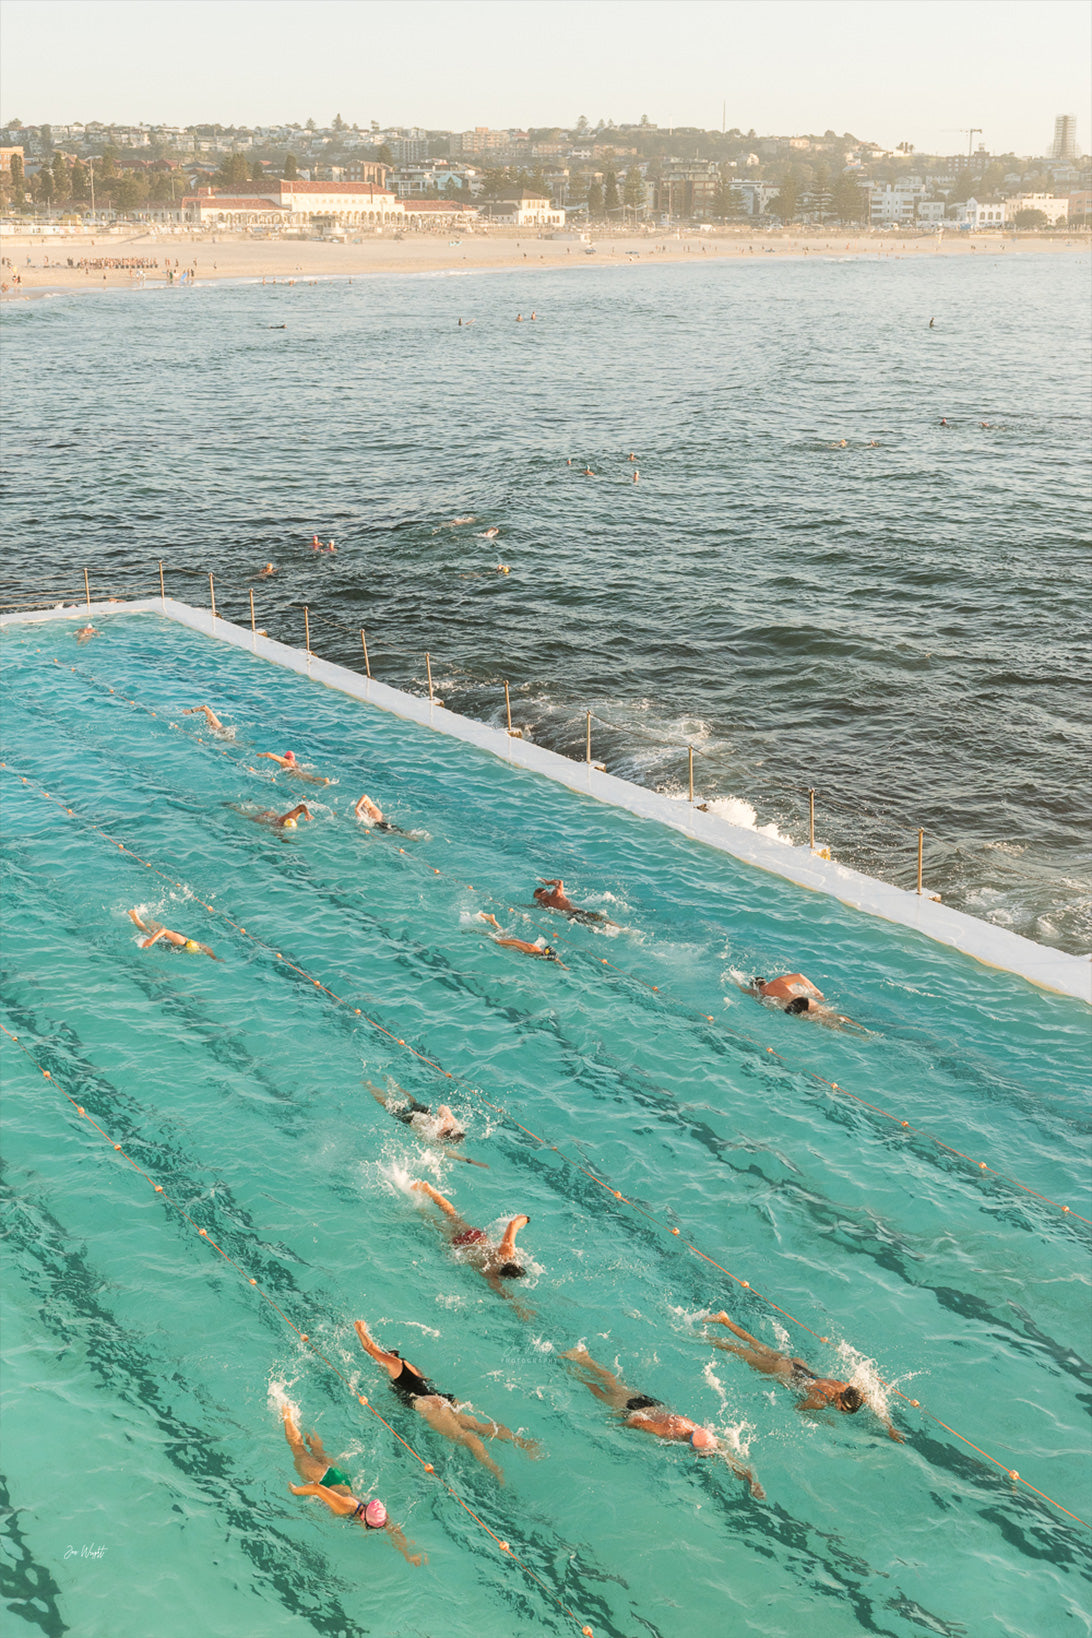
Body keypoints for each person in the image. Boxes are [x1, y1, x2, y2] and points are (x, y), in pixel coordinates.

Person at [353, 1319, 539, 1483]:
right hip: (442, 1399)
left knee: (465, 1437)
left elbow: (370, 1348)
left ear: (391, 1356)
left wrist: (361, 1331)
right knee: (477, 1426)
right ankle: (522, 1441)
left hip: (429, 1403)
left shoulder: (395, 1364)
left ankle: (496, 1471)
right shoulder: (412, 1367)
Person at [562, 1347, 763, 1495]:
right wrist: (617, 1427)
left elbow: (724, 1453)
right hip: (634, 1410)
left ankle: (585, 1358)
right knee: (601, 1393)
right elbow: (638, 1422)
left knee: (615, 1384)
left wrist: (750, 1479)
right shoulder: (669, 1432)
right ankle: (574, 1369)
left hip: (653, 1405)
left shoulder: (698, 1431)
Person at [704, 1312, 903, 1442]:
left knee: (758, 1346)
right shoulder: (821, 1399)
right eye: (844, 1409)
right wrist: (824, 1419)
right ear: (842, 1400)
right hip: (785, 1372)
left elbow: (871, 1401)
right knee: (743, 1353)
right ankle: (706, 1337)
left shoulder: (846, 1386)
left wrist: (890, 1428)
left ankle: (725, 1320)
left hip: (799, 1366)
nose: (842, 1412)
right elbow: (799, 1409)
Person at [282, 1405, 424, 1564]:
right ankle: (287, 1414)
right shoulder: (345, 1506)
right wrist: (296, 1491)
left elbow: (393, 1529)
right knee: (298, 1449)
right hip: (322, 1478)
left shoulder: (378, 1515)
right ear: (365, 1522)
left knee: (317, 1450)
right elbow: (316, 1488)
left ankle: (303, 1420)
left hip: (341, 1478)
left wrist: (407, 1553)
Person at [410, 1180, 532, 1300]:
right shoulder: (491, 1274)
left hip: (475, 1236)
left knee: (452, 1215)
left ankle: (428, 1190)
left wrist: (526, 1218)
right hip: (461, 1246)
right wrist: (519, 1308)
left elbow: (512, 1224)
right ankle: (418, 1206)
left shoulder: (507, 1251)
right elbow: (505, 1295)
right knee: (435, 1224)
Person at [367, 1081, 487, 1167]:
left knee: (411, 1100)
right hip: (411, 1118)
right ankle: (370, 1085)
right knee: (388, 1104)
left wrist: (448, 1118)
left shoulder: (448, 1123)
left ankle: (393, 1084)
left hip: (423, 1113)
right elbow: (451, 1153)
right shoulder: (436, 1138)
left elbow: (442, 1108)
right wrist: (469, 1161)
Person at [742, 973, 862, 1031]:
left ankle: (855, 1035)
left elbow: (744, 990)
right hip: (801, 1000)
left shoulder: (760, 993)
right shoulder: (778, 981)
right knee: (832, 1015)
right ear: (765, 981)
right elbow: (800, 976)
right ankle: (862, 1029)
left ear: (756, 986)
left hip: (791, 1007)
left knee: (823, 1021)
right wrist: (817, 993)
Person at [128, 908, 217, 959]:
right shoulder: (181, 941)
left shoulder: (196, 945)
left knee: (155, 929)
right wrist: (151, 941)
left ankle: (144, 918)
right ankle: (135, 916)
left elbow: (207, 949)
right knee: (149, 933)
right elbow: (164, 931)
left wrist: (214, 958)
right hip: (171, 940)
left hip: (172, 945)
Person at [477, 912, 562, 963]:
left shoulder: (546, 954)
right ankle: (477, 930)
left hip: (518, 947)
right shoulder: (531, 948)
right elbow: (515, 941)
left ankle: (492, 920)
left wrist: (563, 966)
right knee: (495, 937)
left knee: (502, 933)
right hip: (513, 944)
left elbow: (555, 959)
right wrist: (499, 942)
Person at [532, 880, 615, 927]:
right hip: (578, 911)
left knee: (594, 926)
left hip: (572, 916)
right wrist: (548, 882)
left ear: (539, 896)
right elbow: (560, 882)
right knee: (602, 920)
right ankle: (621, 928)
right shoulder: (556, 892)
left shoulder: (545, 903)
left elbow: (538, 908)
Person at [257, 750, 330, 785]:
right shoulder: (294, 762)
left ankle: (324, 781)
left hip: (293, 772)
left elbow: (269, 754)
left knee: (310, 780)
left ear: (285, 757)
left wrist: (261, 755)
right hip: (296, 770)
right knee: (310, 779)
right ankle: (322, 782)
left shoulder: (285, 761)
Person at [235, 801, 312, 831]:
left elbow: (301, 807)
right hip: (265, 817)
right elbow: (301, 806)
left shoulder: (291, 817)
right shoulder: (282, 823)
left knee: (258, 810)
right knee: (249, 816)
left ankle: (248, 804)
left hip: (271, 814)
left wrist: (307, 814)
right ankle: (234, 807)